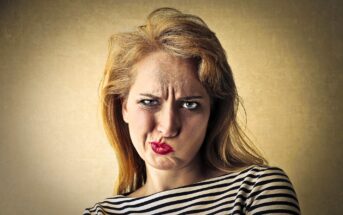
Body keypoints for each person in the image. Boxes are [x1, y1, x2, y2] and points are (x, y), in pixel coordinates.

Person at [84, 7, 300, 215]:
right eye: (149, 102)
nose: (168, 127)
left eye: (189, 105)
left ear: (212, 112)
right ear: (124, 107)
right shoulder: (101, 212)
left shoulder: (255, 190)